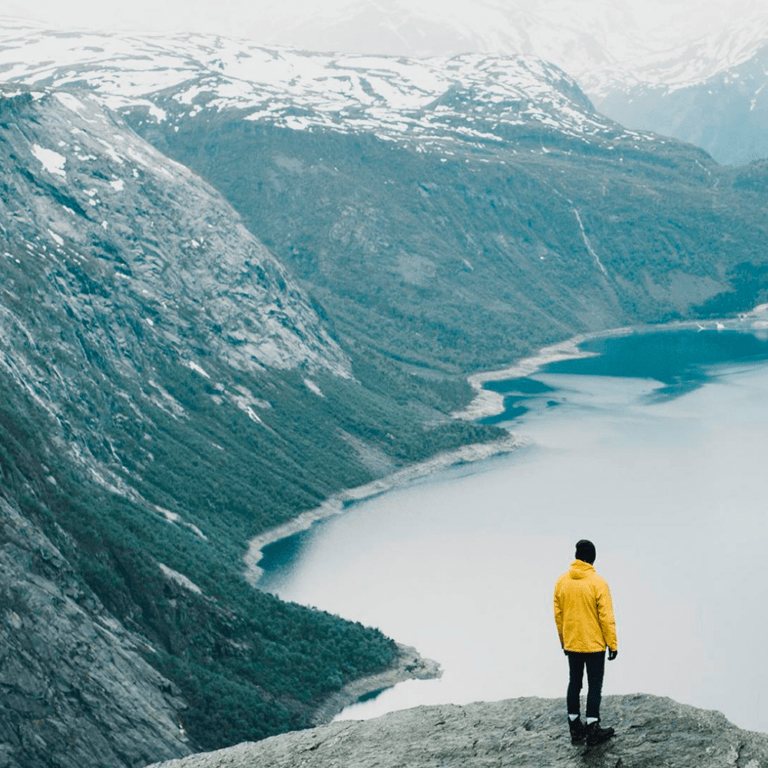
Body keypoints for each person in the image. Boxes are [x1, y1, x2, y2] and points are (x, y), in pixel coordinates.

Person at [553, 539, 618, 746]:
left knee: (574, 682)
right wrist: (613, 644)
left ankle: (574, 726)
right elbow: (606, 617)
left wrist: (564, 641)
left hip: (572, 643)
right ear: (592, 557)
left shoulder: (562, 581)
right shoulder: (598, 582)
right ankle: (592, 727)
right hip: (594, 644)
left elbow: (558, 615)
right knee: (594, 685)